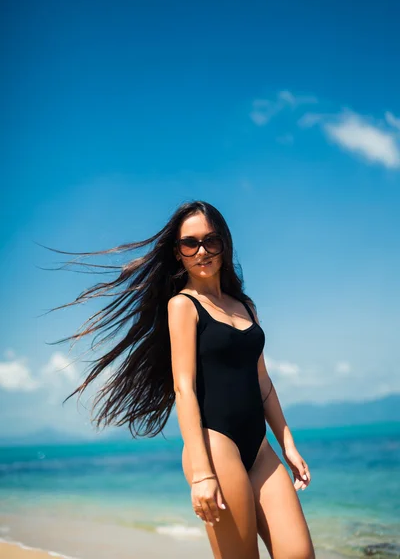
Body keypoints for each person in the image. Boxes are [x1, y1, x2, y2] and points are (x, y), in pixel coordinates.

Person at [52, 199, 314, 559]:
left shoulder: (246, 305)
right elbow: (184, 388)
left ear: (225, 243)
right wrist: (203, 473)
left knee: (299, 554)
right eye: (190, 243)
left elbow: (263, 381)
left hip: (260, 447)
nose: (202, 251)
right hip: (215, 446)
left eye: (211, 240)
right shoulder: (183, 306)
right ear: (178, 253)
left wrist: (288, 443)